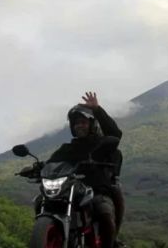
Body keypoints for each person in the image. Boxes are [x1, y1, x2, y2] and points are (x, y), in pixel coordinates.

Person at [46, 92, 124, 248]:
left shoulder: (101, 143)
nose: (79, 125)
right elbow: (50, 163)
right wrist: (36, 167)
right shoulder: (67, 148)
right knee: (42, 201)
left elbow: (115, 134)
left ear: (91, 125)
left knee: (105, 213)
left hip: (96, 191)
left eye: (83, 122)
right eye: (76, 123)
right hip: (70, 191)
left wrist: (97, 109)